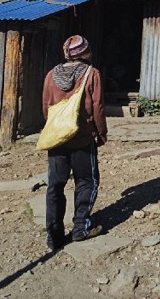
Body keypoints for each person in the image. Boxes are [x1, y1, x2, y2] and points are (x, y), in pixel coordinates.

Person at [42, 34, 107, 251]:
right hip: (82, 137)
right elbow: (96, 107)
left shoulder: (52, 75)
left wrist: (55, 130)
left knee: (55, 186)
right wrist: (100, 132)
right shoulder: (92, 74)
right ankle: (81, 227)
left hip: (57, 138)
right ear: (84, 52)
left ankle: (54, 236)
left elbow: (46, 106)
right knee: (87, 181)